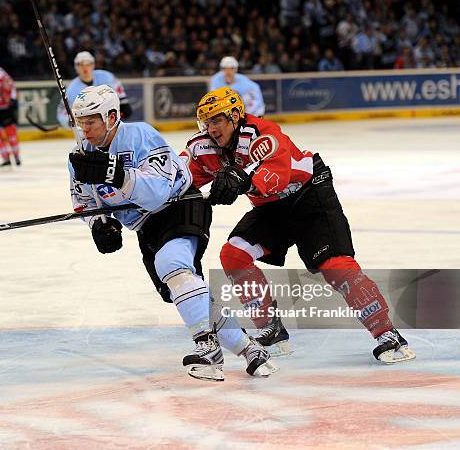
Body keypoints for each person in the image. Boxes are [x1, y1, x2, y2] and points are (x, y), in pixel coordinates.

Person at [180, 87, 416, 364]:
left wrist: (243, 181)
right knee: (234, 254)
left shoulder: (261, 133)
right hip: (271, 207)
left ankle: (387, 334)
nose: (211, 129)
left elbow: (277, 177)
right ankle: (271, 328)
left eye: (216, 120)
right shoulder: (202, 148)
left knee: (335, 266)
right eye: (205, 122)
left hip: (309, 195)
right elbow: (175, 180)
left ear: (235, 116)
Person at [67, 84, 277, 381]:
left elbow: (156, 193)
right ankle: (249, 349)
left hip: (179, 205)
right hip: (145, 226)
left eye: (91, 121)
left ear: (111, 116)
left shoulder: (141, 135)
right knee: (180, 288)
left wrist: (113, 173)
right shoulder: (80, 155)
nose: (84, 129)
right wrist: (99, 224)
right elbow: (84, 200)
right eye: (80, 122)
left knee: (171, 264)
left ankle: (208, 348)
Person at [57, 51, 131, 128]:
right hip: (89, 126)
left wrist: (121, 109)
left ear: (93, 65)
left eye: (88, 64)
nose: (85, 68)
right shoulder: (71, 89)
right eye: (81, 64)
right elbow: (62, 113)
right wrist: (70, 122)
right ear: (76, 67)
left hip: (110, 121)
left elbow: (124, 104)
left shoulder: (107, 77)